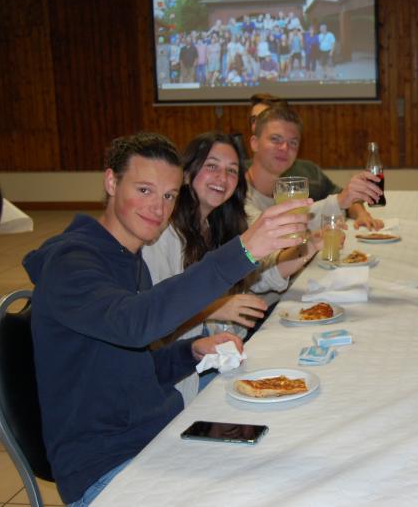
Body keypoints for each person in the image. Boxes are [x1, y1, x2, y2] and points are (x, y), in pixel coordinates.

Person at [23, 133, 310, 505]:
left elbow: (128, 364)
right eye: (144, 190)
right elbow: (133, 325)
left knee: (289, 460)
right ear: (111, 182)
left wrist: (190, 351)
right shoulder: (71, 263)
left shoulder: (129, 260)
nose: (157, 208)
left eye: (169, 196)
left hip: (161, 439)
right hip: (106, 472)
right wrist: (243, 250)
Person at [142, 132, 320, 405]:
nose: (222, 178)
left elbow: (252, 283)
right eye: (211, 166)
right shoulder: (163, 234)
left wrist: (305, 251)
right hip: (181, 376)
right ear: (187, 173)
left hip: (226, 349)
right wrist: (213, 307)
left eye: (231, 171)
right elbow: (155, 320)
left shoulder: (218, 225)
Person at [246, 95, 384, 230]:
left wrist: (347, 201)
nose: (284, 148)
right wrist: (340, 200)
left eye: (293, 143)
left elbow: (297, 218)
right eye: (275, 139)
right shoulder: (236, 192)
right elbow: (265, 230)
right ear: (255, 143)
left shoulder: (287, 187)